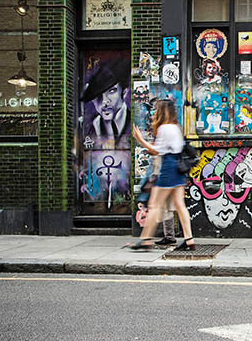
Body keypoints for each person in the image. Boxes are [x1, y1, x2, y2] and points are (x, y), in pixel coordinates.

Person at [130, 99, 196, 251]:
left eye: (157, 109)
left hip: (168, 168)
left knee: (155, 205)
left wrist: (140, 140)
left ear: (162, 111)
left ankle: (145, 239)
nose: (155, 112)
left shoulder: (164, 128)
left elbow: (157, 151)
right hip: (178, 169)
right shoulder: (176, 127)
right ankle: (189, 239)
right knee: (180, 205)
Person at [80, 58, 131, 150]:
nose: (104, 101)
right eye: (97, 95)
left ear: (124, 92)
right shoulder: (90, 127)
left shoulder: (133, 123)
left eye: (111, 91)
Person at [136, 155, 177, 246]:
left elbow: (153, 171)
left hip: (162, 182)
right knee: (166, 209)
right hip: (167, 180)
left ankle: (146, 239)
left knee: (156, 208)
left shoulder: (161, 152)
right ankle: (170, 237)